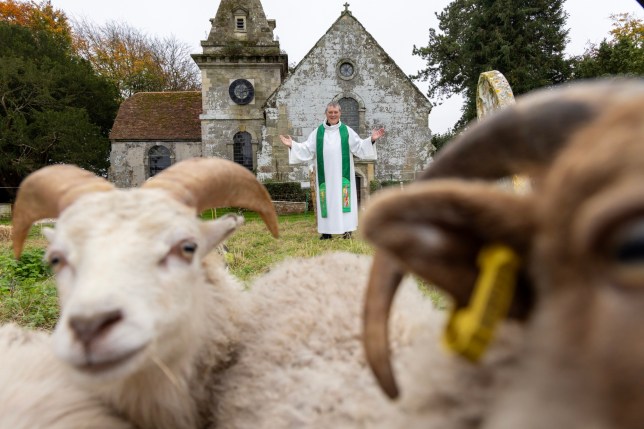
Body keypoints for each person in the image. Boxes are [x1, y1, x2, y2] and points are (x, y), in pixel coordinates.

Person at [279, 102, 385, 240]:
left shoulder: (347, 131)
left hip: (343, 175)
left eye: (335, 112)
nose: (333, 115)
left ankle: (347, 231)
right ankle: (326, 232)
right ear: (326, 113)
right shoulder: (318, 132)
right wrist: (292, 145)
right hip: (326, 176)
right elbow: (307, 148)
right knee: (326, 200)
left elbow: (359, 146)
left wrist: (371, 140)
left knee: (344, 199)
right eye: (330, 112)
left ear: (340, 113)